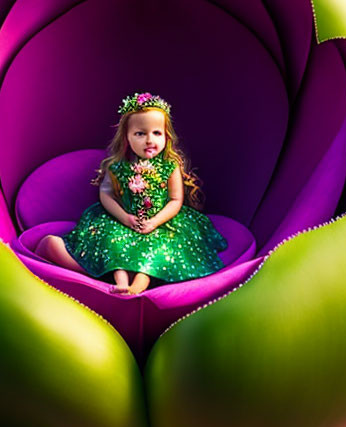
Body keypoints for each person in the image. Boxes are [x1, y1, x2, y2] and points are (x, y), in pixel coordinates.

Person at [37, 92, 227, 295]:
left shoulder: (169, 167)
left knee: (160, 244)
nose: (149, 140)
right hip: (123, 219)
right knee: (112, 240)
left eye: (157, 133)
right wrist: (125, 218)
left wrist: (155, 221)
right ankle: (119, 281)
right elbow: (106, 195)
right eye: (140, 133)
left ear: (166, 136)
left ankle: (137, 286)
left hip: (161, 221)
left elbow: (175, 199)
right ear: (127, 138)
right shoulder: (118, 167)